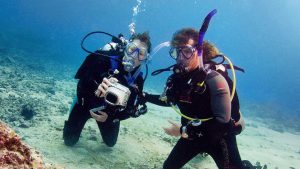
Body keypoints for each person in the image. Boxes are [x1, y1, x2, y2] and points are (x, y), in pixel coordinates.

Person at [144, 28, 244, 169]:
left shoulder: (214, 79)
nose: (180, 57)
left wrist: (183, 131)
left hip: (219, 138)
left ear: (199, 52)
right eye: (177, 52)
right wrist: (144, 96)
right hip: (192, 136)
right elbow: (169, 100)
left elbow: (221, 123)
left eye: (186, 51)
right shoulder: (177, 79)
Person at [63, 32, 151, 147]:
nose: (134, 56)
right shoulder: (104, 58)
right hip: (85, 104)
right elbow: (81, 82)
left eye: (142, 53)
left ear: (146, 58)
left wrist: (110, 118)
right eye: (132, 49)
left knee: (110, 143)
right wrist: (96, 85)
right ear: (126, 48)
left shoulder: (138, 79)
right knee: (69, 141)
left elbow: (130, 109)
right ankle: (76, 104)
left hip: (108, 113)